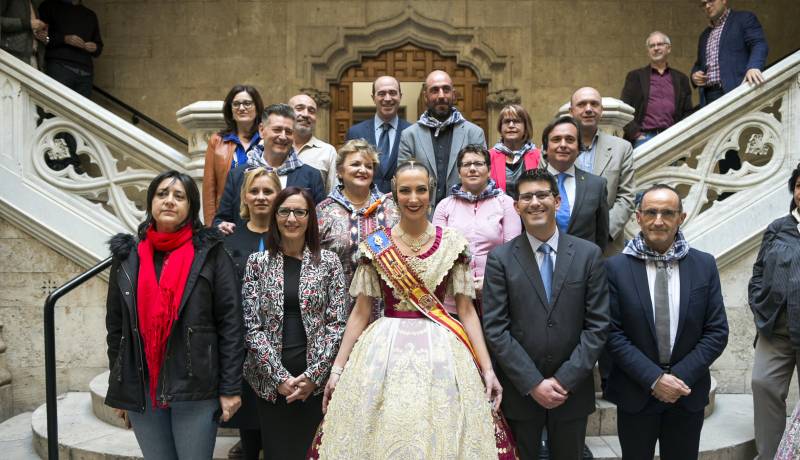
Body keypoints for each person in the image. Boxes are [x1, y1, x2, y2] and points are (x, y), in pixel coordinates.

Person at [310, 160, 516, 459]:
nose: (414, 198)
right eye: (405, 191)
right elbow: (360, 311)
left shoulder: (452, 243)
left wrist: (487, 369)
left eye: (421, 190)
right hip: (382, 351)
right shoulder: (376, 245)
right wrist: (338, 369)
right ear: (394, 195)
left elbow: (467, 311)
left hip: (442, 352)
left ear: (431, 193)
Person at [104, 170, 243, 459]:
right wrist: (120, 387)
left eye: (179, 196)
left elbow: (231, 324)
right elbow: (116, 329)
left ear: (191, 206)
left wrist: (230, 387)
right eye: (162, 194)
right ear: (151, 202)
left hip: (196, 385)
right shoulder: (128, 257)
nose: (169, 201)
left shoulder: (211, 253)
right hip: (143, 386)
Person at [482, 168, 609, 460]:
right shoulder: (500, 259)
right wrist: (534, 383)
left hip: (572, 391)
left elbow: (598, 326)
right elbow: (496, 328)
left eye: (542, 195)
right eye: (526, 197)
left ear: (557, 200)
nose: (535, 202)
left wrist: (564, 380)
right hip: (521, 391)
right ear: (516, 207)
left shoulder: (588, 255)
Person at [605, 184, 729, 460]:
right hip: (636, 392)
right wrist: (654, 379)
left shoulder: (704, 265)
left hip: (687, 391)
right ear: (638, 217)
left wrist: (678, 378)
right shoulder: (615, 269)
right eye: (650, 212)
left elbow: (716, 332)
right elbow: (612, 334)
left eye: (667, 213)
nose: (658, 221)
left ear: (680, 218)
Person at [241, 187, 347, 460]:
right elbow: (252, 327)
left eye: (300, 212)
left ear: (310, 218)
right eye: (285, 211)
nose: (292, 219)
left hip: (315, 381)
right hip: (271, 382)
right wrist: (278, 378)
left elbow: (337, 323)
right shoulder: (257, 263)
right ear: (275, 216)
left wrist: (314, 377)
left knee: (314, 453)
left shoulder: (329, 262)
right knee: (278, 453)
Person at [222, 167, 281, 460]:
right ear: (244, 196)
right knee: (248, 427)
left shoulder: (288, 237)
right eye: (254, 191)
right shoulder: (229, 239)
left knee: (277, 429)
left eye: (268, 191)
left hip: (281, 346)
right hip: (241, 345)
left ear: (278, 196)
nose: (260, 197)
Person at [748, 163, 800, 459]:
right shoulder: (778, 228)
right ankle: (769, 455)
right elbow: (758, 272)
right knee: (763, 384)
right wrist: (759, 305)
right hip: (776, 329)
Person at [433, 144, 521, 313]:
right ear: (459, 172)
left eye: (478, 164)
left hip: (496, 293)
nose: (472, 169)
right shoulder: (445, 206)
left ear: (489, 170)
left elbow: (513, 252)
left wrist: (489, 281)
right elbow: (438, 252)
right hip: (454, 296)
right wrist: (461, 282)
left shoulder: (506, 203)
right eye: (466, 165)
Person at [317, 139, 399, 318]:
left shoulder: (392, 208)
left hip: (388, 316)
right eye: (355, 164)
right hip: (338, 316)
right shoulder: (323, 211)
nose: (363, 170)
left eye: (368, 166)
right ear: (339, 171)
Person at [214, 103, 325, 232]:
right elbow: (221, 219)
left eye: (288, 132)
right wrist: (222, 226)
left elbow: (320, 222)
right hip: (246, 249)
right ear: (262, 130)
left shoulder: (312, 176)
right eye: (277, 130)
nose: (283, 136)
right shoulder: (237, 175)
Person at [398, 70, 486, 208]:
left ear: (454, 94)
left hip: (464, 213)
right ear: (425, 96)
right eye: (434, 90)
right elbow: (403, 180)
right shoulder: (410, 135)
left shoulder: (474, 133)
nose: (441, 95)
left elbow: (481, 178)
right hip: (422, 216)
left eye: (446, 89)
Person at [569, 87, 633, 254]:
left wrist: (603, 232)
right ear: (571, 111)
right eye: (582, 104)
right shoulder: (555, 148)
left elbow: (626, 197)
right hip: (565, 244)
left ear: (601, 110)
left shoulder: (622, 148)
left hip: (607, 247)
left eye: (594, 104)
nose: (588, 109)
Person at [542, 115, 609, 251]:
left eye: (570, 140)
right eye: (556, 139)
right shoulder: (530, 183)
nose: (563, 145)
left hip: (583, 267)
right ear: (545, 148)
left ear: (579, 148)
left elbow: (601, 236)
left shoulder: (596, 185)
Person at [202, 85, 264, 225]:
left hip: (261, 215)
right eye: (236, 104)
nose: (241, 108)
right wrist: (212, 227)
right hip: (227, 218)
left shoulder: (266, 139)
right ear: (230, 109)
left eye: (247, 103)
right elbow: (209, 190)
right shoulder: (217, 141)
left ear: (257, 107)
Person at [621, 31, 694, 147]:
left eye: (659, 44)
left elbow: (688, 111)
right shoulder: (635, 77)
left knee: (671, 166)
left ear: (668, 48)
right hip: (643, 138)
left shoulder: (681, 79)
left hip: (671, 138)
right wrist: (636, 134)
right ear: (648, 51)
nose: (655, 48)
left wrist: (679, 134)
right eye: (652, 46)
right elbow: (624, 108)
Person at [691, 0, 768, 106]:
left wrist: (754, 67)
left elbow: (758, 44)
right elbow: (699, 64)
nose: (707, 6)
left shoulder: (744, 19)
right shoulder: (704, 35)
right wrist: (694, 75)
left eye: (711, 1)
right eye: (703, 4)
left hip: (736, 90)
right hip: (709, 96)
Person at [345, 75, 412, 193]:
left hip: (401, 204)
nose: (387, 98)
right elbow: (347, 171)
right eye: (381, 93)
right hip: (364, 204)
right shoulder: (355, 132)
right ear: (373, 98)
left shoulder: (412, 131)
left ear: (400, 96)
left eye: (392, 93)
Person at [38, 0, 102, 97]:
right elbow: (39, 35)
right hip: (59, 67)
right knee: (56, 108)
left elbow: (99, 46)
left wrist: (95, 47)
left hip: (85, 72)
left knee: (81, 110)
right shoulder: (49, 6)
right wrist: (64, 39)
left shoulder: (90, 15)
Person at [489, 104, 542, 199]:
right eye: (506, 122)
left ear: (526, 127)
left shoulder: (540, 156)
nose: (511, 125)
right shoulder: (488, 156)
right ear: (500, 128)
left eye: (517, 121)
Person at [289, 94, 339, 194]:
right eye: (299, 108)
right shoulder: (276, 146)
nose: (306, 114)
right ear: (286, 113)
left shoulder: (327, 151)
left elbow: (333, 194)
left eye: (311, 111)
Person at [1, 0, 47, 68]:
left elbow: (32, 29)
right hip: (10, 56)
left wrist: (42, 36)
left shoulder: (32, 4)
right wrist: (27, 24)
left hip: (32, 58)